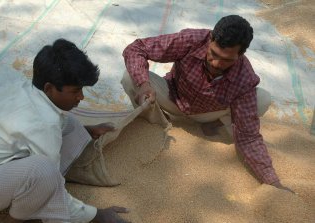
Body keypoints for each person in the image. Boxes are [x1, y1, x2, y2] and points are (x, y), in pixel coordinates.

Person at [0, 39, 138, 223]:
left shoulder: (26, 89)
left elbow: (57, 124)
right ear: (49, 88)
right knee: (44, 171)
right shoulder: (42, 124)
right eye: (75, 91)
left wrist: (86, 130)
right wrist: (97, 215)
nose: (81, 97)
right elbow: (49, 176)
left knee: (71, 124)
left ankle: (30, 194)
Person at [121, 15, 293, 193]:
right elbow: (136, 48)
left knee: (262, 99)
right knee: (130, 76)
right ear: (210, 39)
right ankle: (156, 122)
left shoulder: (245, 77)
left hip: (208, 112)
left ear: (240, 55)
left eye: (227, 60)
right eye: (214, 54)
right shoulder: (191, 40)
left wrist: (272, 182)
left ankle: (214, 126)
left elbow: (248, 137)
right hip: (173, 96)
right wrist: (144, 84)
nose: (216, 64)